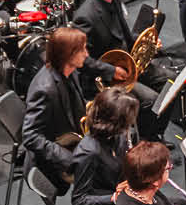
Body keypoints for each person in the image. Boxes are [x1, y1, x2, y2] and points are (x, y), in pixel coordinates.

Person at [69, 0, 173, 135]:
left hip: (127, 65)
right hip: (105, 77)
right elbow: (82, 61)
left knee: (171, 81)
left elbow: (126, 35)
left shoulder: (113, 2)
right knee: (150, 100)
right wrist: (111, 70)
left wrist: (148, 44)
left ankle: (156, 132)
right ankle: (146, 141)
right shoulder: (85, 17)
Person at [22, 27, 120, 189]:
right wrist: (68, 158)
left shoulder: (70, 70)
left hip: (75, 137)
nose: (86, 54)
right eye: (82, 50)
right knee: (109, 172)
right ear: (68, 55)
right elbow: (30, 136)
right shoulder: (44, 89)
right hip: (56, 157)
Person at [70, 87, 138, 205]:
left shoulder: (116, 135)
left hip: (121, 198)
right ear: (116, 121)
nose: (131, 124)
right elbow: (79, 200)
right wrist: (114, 197)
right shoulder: (88, 152)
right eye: (128, 120)